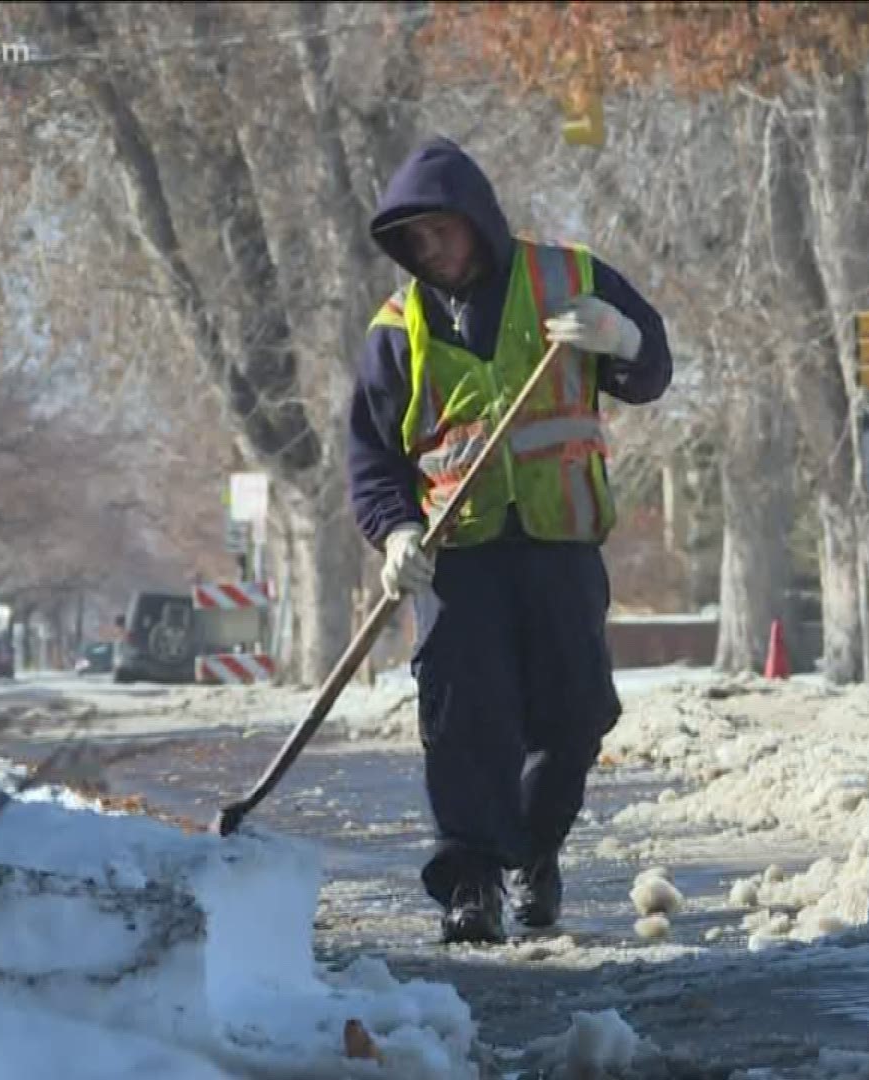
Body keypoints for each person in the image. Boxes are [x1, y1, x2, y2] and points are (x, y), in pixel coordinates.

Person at [346, 137, 674, 944]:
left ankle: (533, 850)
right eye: (413, 242)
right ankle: (471, 881)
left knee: (576, 713)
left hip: (560, 546)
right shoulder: (398, 329)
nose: (429, 253)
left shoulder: (570, 280)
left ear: (476, 220)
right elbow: (372, 460)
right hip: (458, 557)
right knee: (465, 719)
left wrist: (621, 342)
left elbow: (654, 366)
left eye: (439, 233)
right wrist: (395, 535)